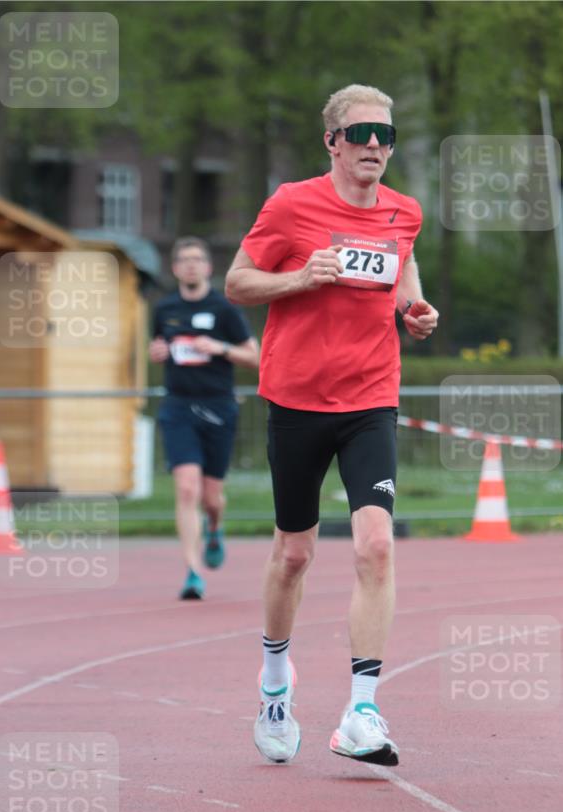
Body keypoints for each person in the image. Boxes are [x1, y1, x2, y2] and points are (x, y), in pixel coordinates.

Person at [225, 84, 438, 765]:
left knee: (375, 545)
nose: (374, 144)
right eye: (361, 133)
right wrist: (298, 280)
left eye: (385, 135)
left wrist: (413, 308)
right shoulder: (291, 204)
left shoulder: (405, 212)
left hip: (370, 399)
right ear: (333, 142)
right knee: (294, 554)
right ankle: (274, 684)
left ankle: (362, 711)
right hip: (297, 400)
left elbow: (403, 264)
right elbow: (237, 282)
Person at [151, 237, 259, 599]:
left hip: (218, 407)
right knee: (186, 488)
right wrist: (157, 351)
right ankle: (193, 572)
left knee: (212, 498)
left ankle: (214, 526)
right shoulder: (164, 309)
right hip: (178, 406)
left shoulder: (224, 309)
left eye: (197, 259)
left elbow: (255, 356)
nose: (191, 265)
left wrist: (220, 347)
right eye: (184, 260)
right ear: (175, 268)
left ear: (208, 268)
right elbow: (159, 347)